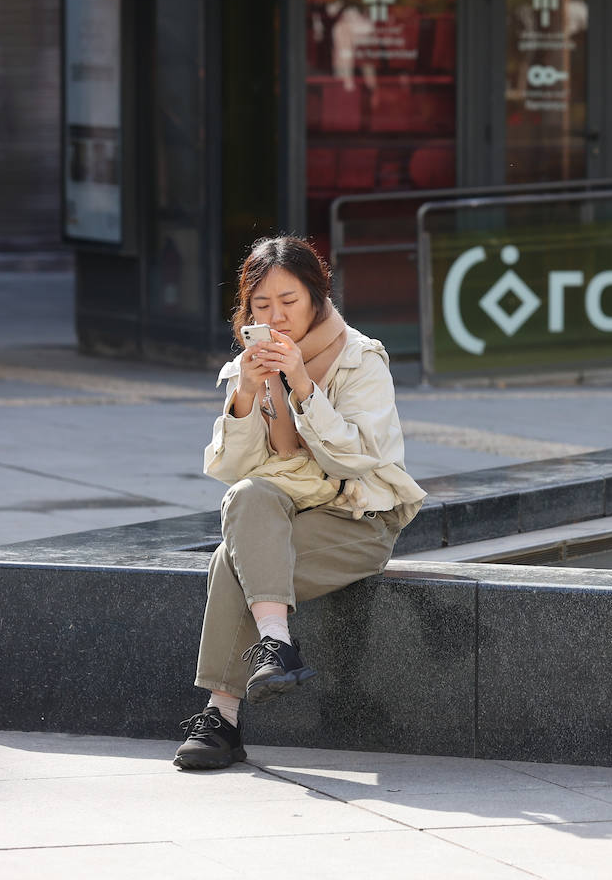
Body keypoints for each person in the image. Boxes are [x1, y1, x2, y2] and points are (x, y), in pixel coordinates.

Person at [174, 236, 426, 770]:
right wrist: (245, 394)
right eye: (261, 305)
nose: (276, 316)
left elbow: (356, 460)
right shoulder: (249, 367)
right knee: (248, 497)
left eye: (288, 302)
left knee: (233, 559)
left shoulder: (361, 360)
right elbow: (234, 470)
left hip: (358, 521)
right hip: (283, 515)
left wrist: (303, 385)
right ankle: (276, 645)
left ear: (316, 298)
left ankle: (222, 719)